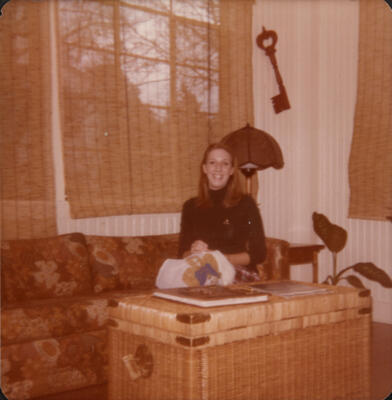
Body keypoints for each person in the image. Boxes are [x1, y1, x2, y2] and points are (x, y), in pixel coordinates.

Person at [178, 142, 267, 282]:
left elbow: (259, 254)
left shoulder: (246, 204)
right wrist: (193, 251)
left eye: (225, 163)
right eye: (212, 162)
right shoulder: (190, 207)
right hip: (201, 272)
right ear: (205, 168)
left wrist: (218, 259)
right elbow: (182, 253)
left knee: (208, 285)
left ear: (231, 170)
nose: (218, 168)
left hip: (235, 270)